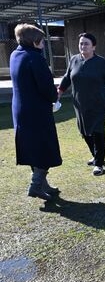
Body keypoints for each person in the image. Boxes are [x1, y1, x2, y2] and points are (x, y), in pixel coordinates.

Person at [10, 23, 62, 201]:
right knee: (44, 147)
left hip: (20, 109)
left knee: (33, 147)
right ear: (34, 42)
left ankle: (42, 184)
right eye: (41, 41)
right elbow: (46, 87)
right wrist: (54, 96)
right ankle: (35, 185)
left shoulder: (15, 55)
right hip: (36, 111)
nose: (43, 44)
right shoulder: (35, 58)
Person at [58, 32, 105, 176]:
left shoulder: (101, 62)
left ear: (93, 47)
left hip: (99, 104)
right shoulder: (74, 60)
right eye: (81, 43)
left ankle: (99, 164)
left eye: (86, 43)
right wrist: (59, 92)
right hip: (79, 104)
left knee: (97, 132)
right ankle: (96, 155)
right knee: (84, 132)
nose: (83, 46)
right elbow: (67, 78)